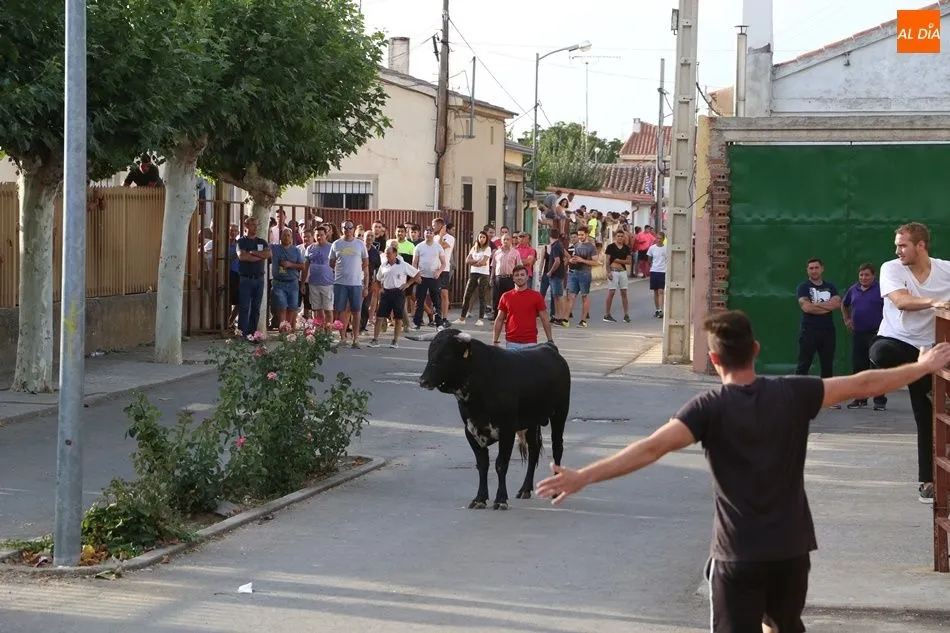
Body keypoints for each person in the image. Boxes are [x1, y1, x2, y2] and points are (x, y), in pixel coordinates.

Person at [536, 309, 950, 633]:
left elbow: (651, 448)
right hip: (791, 552)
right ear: (755, 349)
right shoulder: (795, 392)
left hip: (738, 556)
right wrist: (923, 365)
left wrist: (582, 476)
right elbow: (863, 383)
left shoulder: (708, 408)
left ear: (714, 359)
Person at [870, 222, 950, 504]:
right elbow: (901, 301)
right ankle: (927, 378)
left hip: (931, 349)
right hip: (898, 342)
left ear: (921, 245)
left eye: (903, 245)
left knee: (925, 416)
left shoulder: (946, 270)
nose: (897, 251)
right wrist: (935, 302)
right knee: (879, 353)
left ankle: (928, 482)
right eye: (897, 245)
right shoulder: (891, 268)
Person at [841, 263, 886, 411]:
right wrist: (847, 320)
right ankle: (860, 399)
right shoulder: (853, 289)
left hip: (876, 334)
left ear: (873, 276)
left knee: (877, 367)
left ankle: (879, 401)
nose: (863, 278)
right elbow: (844, 305)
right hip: (858, 334)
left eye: (867, 275)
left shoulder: (881, 289)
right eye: (861, 275)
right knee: (859, 367)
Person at [795, 258, 841, 394]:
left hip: (828, 331)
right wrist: (827, 306)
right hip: (809, 330)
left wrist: (815, 306)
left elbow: (836, 304)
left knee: (827, 365)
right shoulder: (803, 287)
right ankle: (797, 395)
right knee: (804, 363)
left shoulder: (831, 286)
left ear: (822, 269)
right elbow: (807, 308)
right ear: (807, 270)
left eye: (816, 267)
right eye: (811, 268)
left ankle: (828, 396)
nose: (814, 270)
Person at [492, 265, 554, 350]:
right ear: (513, 278)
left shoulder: (536, 296)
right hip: (511, 343)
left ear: (527, 277)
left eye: (522, 275)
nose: (519, 277)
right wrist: (495, 341)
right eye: (516, 275)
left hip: (531, 343)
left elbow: (545, 319)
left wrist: (550, 340)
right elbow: (499, 319)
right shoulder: (506, 297)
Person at [369, 245, 420, 349]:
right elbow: (378, 279)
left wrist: (407, 284)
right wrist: (380, 288)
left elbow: (416, 274)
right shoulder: (383, 265)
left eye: (389, 253)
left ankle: (395, 340)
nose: (387, 255)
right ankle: (375, 339)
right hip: (386, 293)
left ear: (395, 254)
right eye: (386, 253)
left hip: (398, 292)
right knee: (379, 317)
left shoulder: (403, 265)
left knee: (398, 318)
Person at [329, 220, 369, 348]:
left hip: (356, 283)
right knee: (341, 310)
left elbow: (366, 262)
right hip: (340, 283)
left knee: (356, 311)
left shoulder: (360, 244)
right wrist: (342, 270)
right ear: (341, 229)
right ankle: (343, 338)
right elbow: (331, 262)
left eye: (350, 227)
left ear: (353, 229)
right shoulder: (336, 244)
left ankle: (356, 339)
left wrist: (357, 273)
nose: (347, 230)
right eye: (345, 227)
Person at [235, 216, 271, 337]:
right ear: (246, 226)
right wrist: (260, 256)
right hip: (246, 279)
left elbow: (268, 254)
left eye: (257, 225)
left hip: (259, 279)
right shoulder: (241, 241)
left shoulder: (261, 241)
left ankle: (252, 334)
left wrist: (253, 252)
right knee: (244, 308)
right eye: (253, 225)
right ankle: (242, 334)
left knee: (256, 308)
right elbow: (242, 256)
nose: (255, 227)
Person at [271, 227, 305, 329]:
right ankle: (283, 330)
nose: (286, 237)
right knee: (281, 307)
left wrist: (290, 264)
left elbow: (302, 266)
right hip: (279, 283)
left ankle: (288, 330)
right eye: (284, 235)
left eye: (288, 235)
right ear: (280, 237)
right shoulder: (274, 248)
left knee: (292, 308)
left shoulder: (296, 250)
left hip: (292, 283)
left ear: (291, 238)